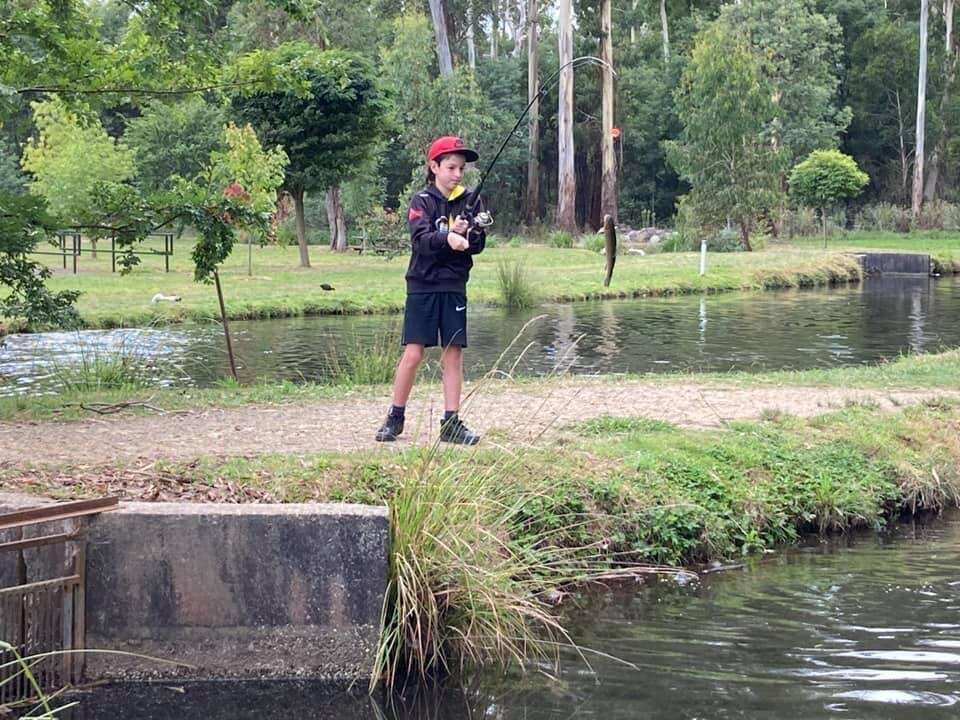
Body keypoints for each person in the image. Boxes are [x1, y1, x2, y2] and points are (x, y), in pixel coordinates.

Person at [375, 136, 487, 445]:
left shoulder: (471, 201)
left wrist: (469, 236)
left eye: (461, 168)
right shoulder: (421, 201)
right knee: (414, 353)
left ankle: (451, 422)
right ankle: (395, 418)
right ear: (433, 166)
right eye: (451, 167)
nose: (457, 174)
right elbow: (421, 240)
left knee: (452, 353)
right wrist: (448, 238)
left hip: (454, 285)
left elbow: (477, 244)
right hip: (422, 286)